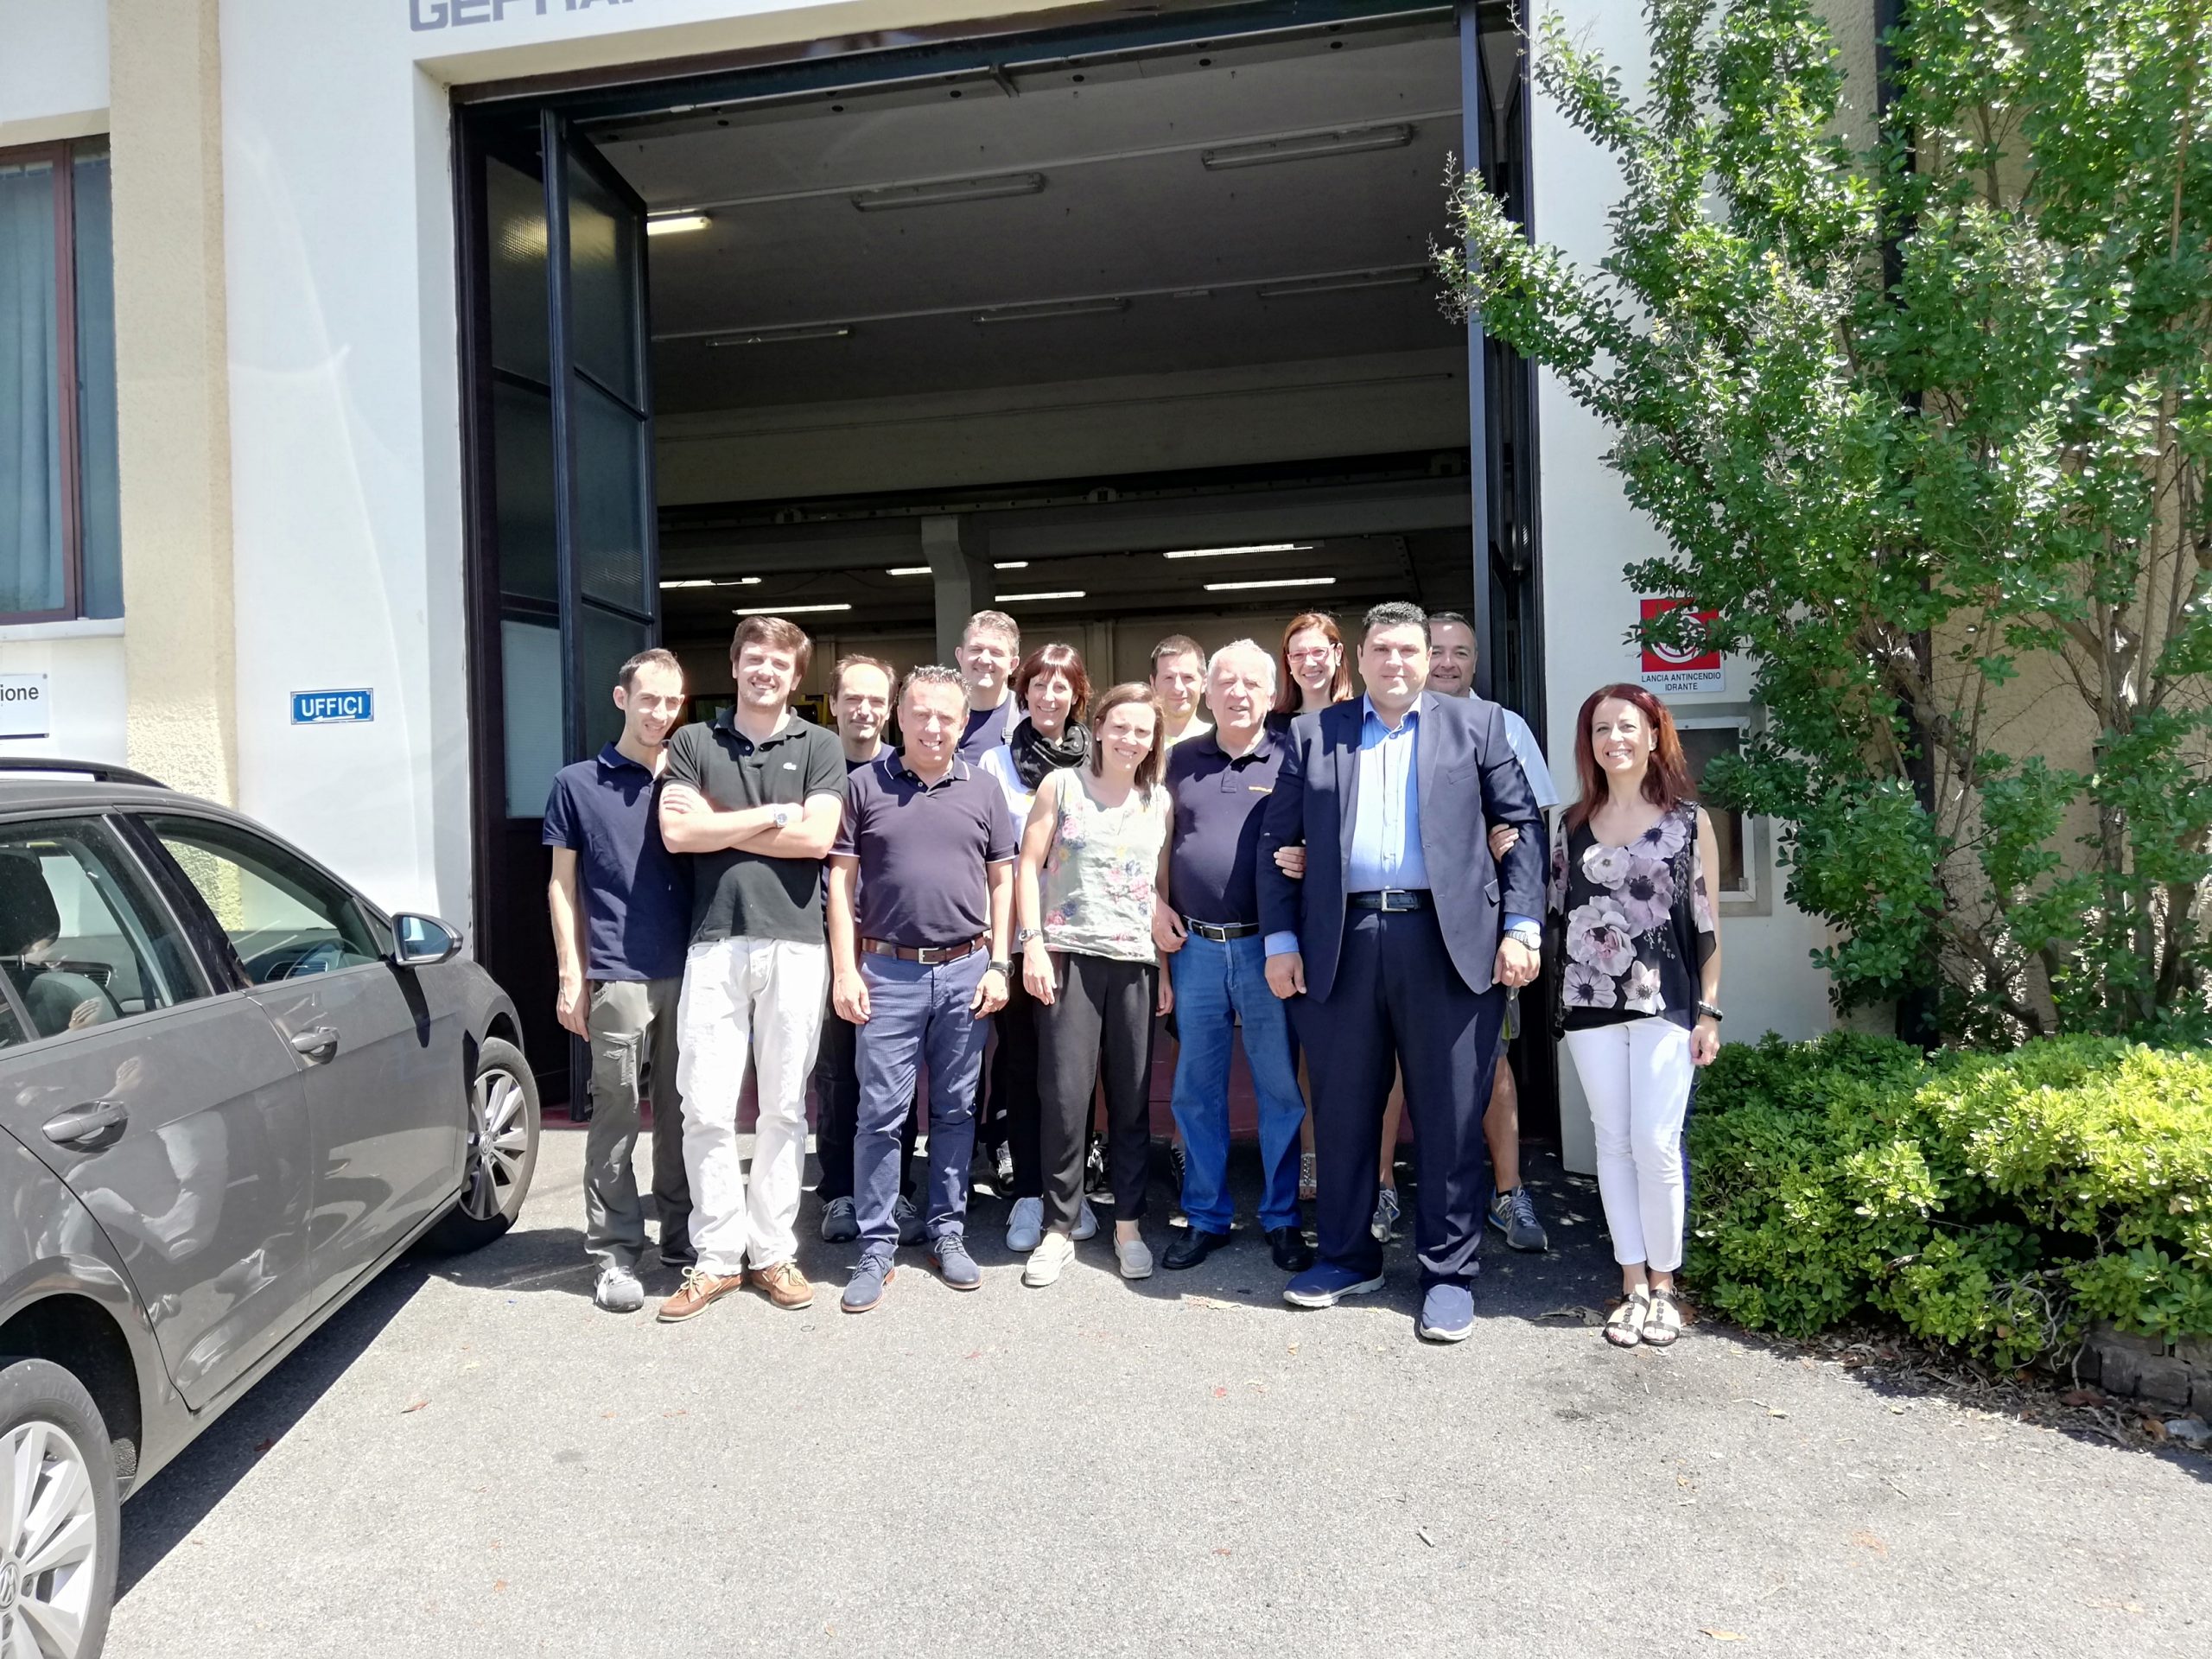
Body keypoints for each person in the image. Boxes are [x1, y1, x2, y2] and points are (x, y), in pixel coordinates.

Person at [1259, 601, 1546, 1344]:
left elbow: (1522, 829)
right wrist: (1280, 941)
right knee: (1344, 1111)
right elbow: (1276, 844)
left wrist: (1521, 927)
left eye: (1409, 651)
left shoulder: (1479, 727)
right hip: (1341, 942)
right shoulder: (1313, 734)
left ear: (1428, 658)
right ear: (1359, 658)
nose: (1395, 662)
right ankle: (1346, 1257)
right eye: (1381, 650)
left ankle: (1448, 1274)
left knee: (1450, 1114)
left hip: (1449, 943)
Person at [654, 616, 848, 1323]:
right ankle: (715, 1259)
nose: (766, 670)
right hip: (715, 942)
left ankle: (771, 1253)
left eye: (779, 662)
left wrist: (723, 824)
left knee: (784, 1108)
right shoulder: (693, 742)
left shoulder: (820, 745)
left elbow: (819, 838)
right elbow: (678, 833)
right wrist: (772, 816)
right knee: (704, 1107)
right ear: (735, 666)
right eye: (754, 658)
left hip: (796, 946)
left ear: (796, 678)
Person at [1360, 609, 1559, 1255]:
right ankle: (1382, 1188)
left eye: (1459, 652)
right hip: (1397, 931)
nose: (1446, 662)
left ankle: (1507, 1191)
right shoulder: (1374, 726)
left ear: (1474, 662)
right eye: (1437, 650)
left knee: (1487, 1061)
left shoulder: (1500, 725)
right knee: (1388, 1064)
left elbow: (1525, 829)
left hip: (1480, 933)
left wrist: (1519, 924)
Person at [827, 665, 1015, 1312]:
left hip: (967, 970)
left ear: (963, 723)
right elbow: (840, 883)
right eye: (921, 713)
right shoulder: (863, 785)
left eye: (946, 716)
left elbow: (1002, 881)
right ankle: (876, 1244)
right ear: (899, 717)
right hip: (886, 973)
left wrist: (999, 964)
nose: (933, 726)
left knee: (957, 1111)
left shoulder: (984, 789)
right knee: (880, 1115)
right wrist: (846, 969)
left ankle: (947, 1230)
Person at [1551, 683, 1722, 1349]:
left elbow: (1707, 924)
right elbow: (1554, 914)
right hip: (1589, 1001)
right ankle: (1631, 1285)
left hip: (1665, 1001)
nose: (1613, 739)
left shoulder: (1688, 822)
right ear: (1589, 744)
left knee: (1655, 1142)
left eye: (1626, 726)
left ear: (1654, 736)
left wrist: (1709, 1011)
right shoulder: (1569, 826)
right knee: (1613, 1143)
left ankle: (1665, 1285)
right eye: (1600, 729)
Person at [542, 647, 695, 1313]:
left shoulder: (689, 781)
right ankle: (613, 1254)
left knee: (684, 1111)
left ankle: (682, 1238)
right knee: (616, 1115)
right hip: (615, 973)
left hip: (689, 970)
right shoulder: (576, 784)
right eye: (649, 698)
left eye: (672, 701)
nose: (660, 712)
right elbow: (561, 885)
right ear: (621, 698)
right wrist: (570, 974)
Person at [1155, 640, 1313, 1274]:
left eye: (1252, 683)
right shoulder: (1176, 760)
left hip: (1267, 948)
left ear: (1271, 694)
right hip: (1194, 947)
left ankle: (1282, 1218)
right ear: (1207, 692)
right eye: (1226, 682)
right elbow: (1153, 842)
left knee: (1279, 1089)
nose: (1238, 693)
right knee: (1195, 1091)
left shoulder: (1295, 755)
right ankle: (1205, 1216)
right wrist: (1155, 905)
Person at [1015, 683, 1174, 1287]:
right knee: (1064, 1097)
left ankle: (1128, 1225)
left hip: (1135, 962)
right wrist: (1032, 942)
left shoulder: (1158, 800)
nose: (1131, 739)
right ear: (1100, 727)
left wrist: (1166, 971)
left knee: (1131, 1099)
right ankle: (1060, 1227)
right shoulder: (1061, 786)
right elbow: (1027, 865)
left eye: (1143, 731)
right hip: (1069, 959)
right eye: (1121, 727)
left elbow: (1159, 891)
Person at [976, 641, 1099, 1250]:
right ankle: (1029, 1191)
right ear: (1021, 691)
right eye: (1039, 684)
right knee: (1023, 1065)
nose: (1050, 696)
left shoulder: (1098, 761)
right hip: (1021, 938)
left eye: (1062, 686)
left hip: (1085, 937)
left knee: (1074, 1072)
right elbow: (990, 856)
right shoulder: (994, 764)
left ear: (1078, 695)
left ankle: (1070, 1193)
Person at [812, 655, 923, 1249]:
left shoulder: (903, 770)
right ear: (833, 704)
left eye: (877, 700)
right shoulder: (812, 765)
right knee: (836, 1074)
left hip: (890, 947)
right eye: (853, 698)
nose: (864, 710)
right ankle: (839, 1192)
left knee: (895, 1076)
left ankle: (896, 1188)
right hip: (822, 941)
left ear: (892, 709)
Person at [1270, 610, 1356, 1200]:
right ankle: (1308, 1155)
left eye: (1318, 650)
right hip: (1286, 904)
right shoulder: (1273, 729)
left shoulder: (1362, 720)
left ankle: (1363, 1169)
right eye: (1297, 653)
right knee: (1295, 1045)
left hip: (1349, 907)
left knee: (1352, 1048)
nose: (1308, 662)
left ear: (1338, 654)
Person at [956, 609, 1022, 763]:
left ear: (1013, 664)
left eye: (996, 652)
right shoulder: (938, 719)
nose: (984, 660)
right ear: (960, 656)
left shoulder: (1030, 720)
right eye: (976, 649)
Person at [1149, 634, 1211, 750]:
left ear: (1204, 683)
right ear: (1153, 683)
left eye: (1188, 677)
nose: (1178, 688)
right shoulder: (1138, 745)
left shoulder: (1221, 743)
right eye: (1168, 678)